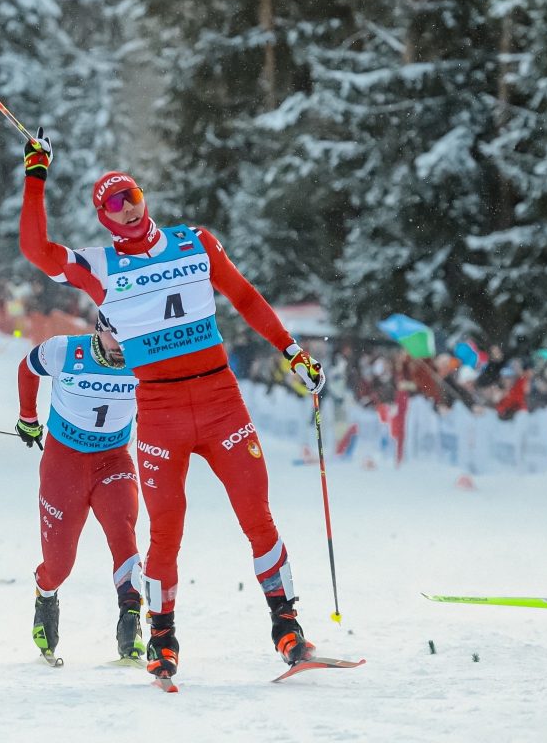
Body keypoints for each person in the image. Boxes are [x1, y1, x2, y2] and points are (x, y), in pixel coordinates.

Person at [18, 129, 325, 680]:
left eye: (131, 197)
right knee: (165, 531)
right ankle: (163, 639)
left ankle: (288, 627)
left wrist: (293, 352)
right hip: (159, 410)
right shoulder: (101, 267)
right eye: (113, 206)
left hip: (220, 400)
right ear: (104, 221)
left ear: (144, 199)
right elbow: (37, 251)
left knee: (256, 514)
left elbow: (247, 298)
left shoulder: (197, 242)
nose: (127, 211)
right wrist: (35, 175)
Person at [16, 312, 143, 664]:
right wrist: (28, 418)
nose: (123, 347)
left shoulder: (144, 358)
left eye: (130, 337)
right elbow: (27, 367)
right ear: (99, 329)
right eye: (116, 337)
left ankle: (131, 621)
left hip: (113, 462)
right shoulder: (63, 350)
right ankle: (46, 594)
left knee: (123, 532)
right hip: (63, 465)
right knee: (59, 565)